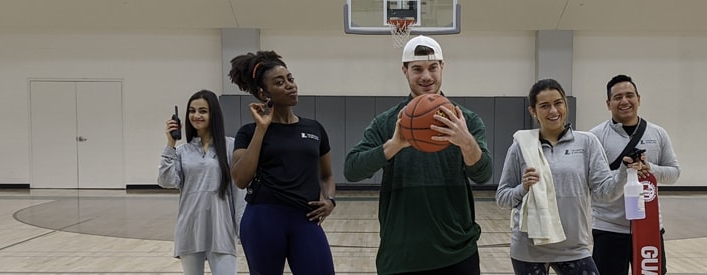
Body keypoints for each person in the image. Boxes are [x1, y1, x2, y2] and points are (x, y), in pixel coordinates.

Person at [343, 35, 493, 275]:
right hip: (401, 253)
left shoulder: (467, 120)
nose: (426, 76)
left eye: (433, 67)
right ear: (404, 71)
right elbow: (351, 170)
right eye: (417, 69)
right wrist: (393, 145)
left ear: (442, 67)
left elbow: (484, 174)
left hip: (457, 251)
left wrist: (467, 143)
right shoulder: (386, 121)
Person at [495, 79, 643, 275]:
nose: (553, 111)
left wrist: (625, 171)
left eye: (558, 103)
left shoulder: (587, 142)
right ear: (533, 111)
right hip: (528, 249)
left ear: (565, 104)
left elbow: (605, 193)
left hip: (574, 248)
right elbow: (502, 198)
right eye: (545, 106)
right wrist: (523, 187)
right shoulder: (521, 147)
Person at [228, 50, 336, 275]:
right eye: (279, 82)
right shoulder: (248, 132)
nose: (290, 85)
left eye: (290, 79)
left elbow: (326, 175)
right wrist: (261, 129)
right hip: (263, 219)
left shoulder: (314, 129)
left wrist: (330, 201)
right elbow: (240, 179)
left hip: (305, 218)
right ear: (263, 92)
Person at [590, 74, 681, 275]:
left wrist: (651, 168)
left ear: (639, 99)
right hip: (609, 228)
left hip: (650, 226)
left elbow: (674, 173)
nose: (624, 101)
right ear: (608, 103)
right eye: (618, 97)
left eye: (630, 95)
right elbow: (596, 186)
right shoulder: (594, 137)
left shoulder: (658, 133)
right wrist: (624, 172)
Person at [157, 89, 245, 275]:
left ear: (213, 114)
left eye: (203, 111)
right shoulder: (182, 151)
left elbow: (239, 194)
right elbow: (166, 181)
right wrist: (170, 143)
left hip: (221, 229)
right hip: (190, 229)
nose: (196, 115)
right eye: (192, 111)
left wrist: (242, 229)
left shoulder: (231, 146)